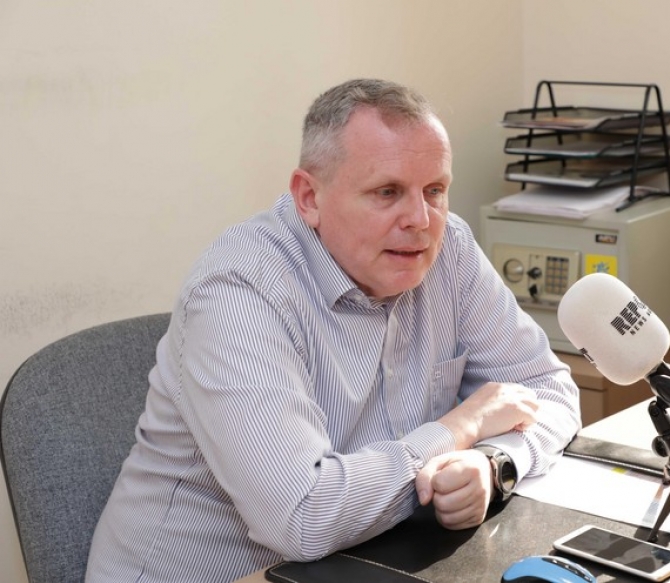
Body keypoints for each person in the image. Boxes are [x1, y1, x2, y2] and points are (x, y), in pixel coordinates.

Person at [86, 79, 581, 582]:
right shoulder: (238, 292)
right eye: (387, 192)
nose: (420, 220)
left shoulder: (448, 249)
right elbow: (303, 517)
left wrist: (495, 462)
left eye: (434, 191)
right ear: (309, 197)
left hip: (367, 561)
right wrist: (459, 429)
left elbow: (548, 388)